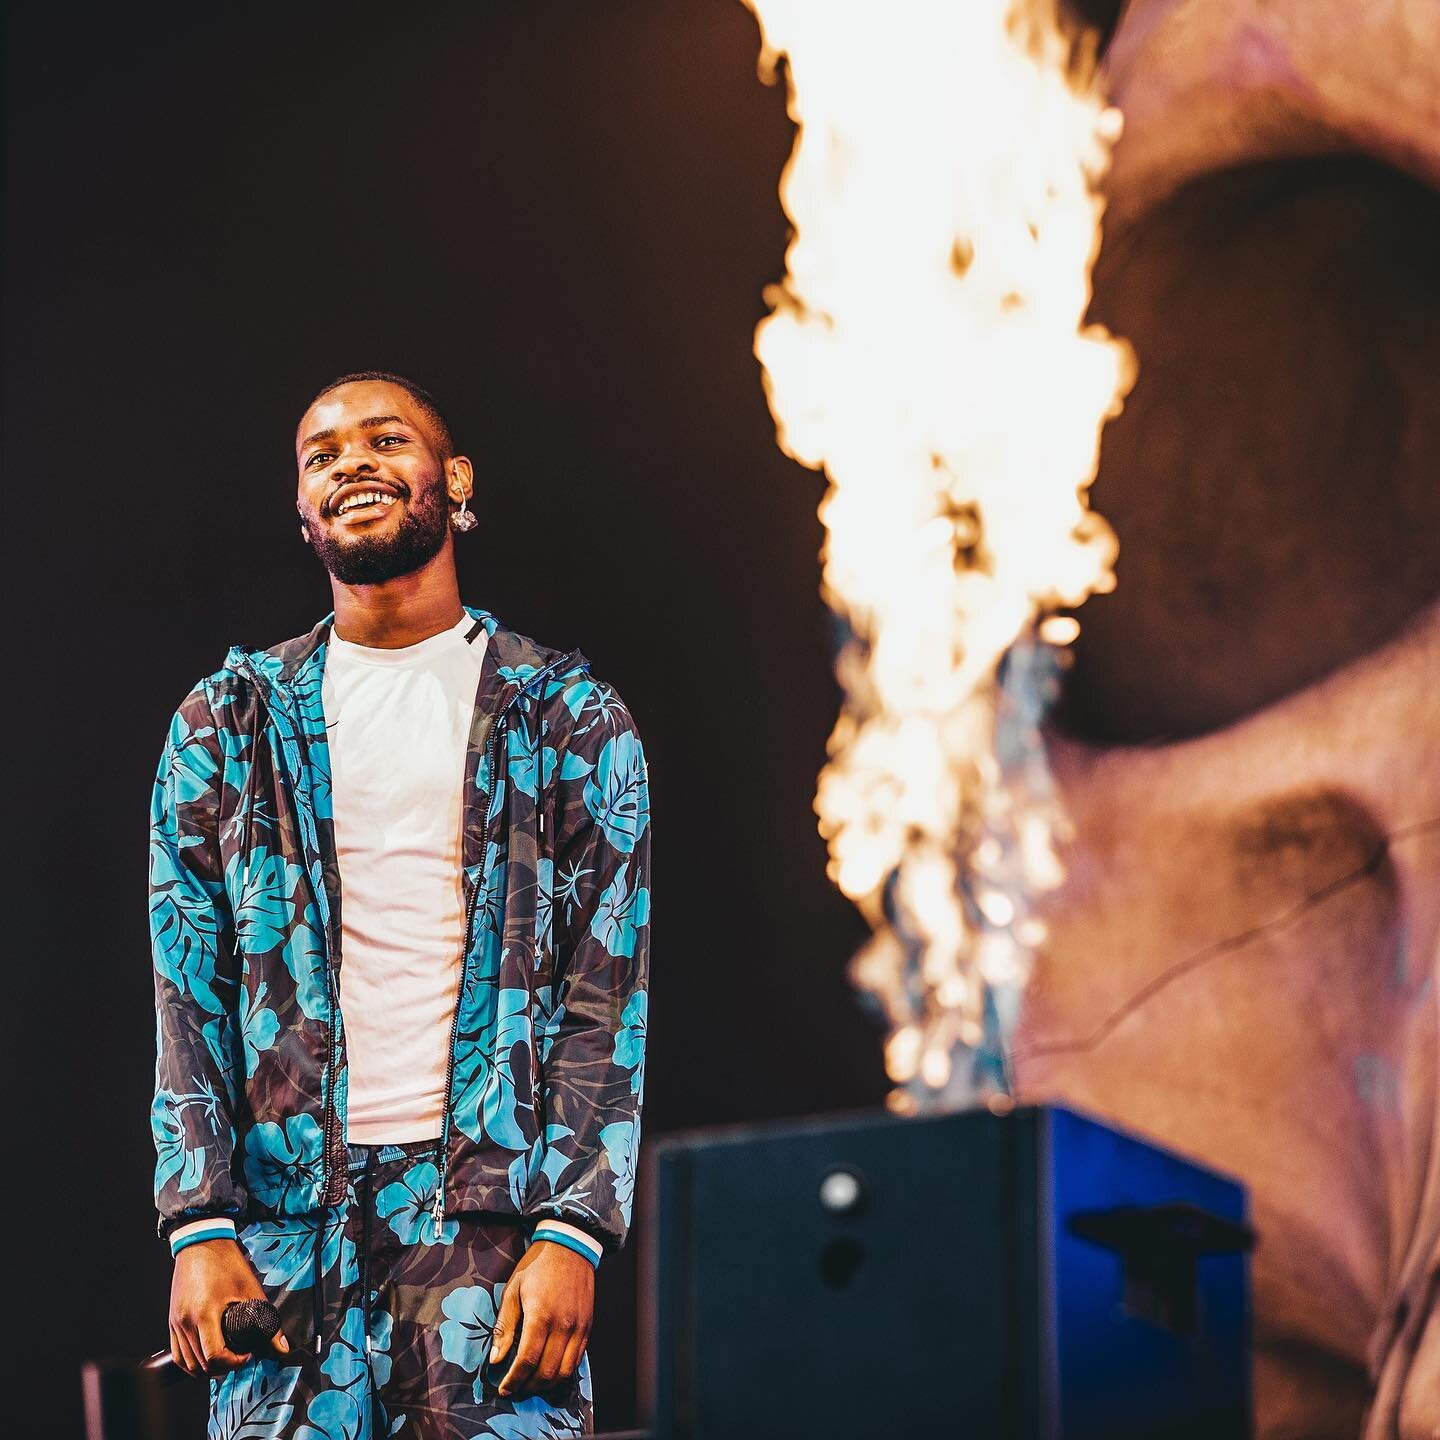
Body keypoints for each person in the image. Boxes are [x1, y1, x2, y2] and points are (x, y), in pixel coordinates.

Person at [149, 371, 651, 1438]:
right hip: (283, 1242)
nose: (353, 464)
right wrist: (200, 1222)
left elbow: (605, 994)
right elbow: (185, 992)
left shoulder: (567, 719)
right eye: (321, 455)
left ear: (451, 479)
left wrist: (573, 1230)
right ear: (301, 508)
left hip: (491, 1229)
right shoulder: (226, 725)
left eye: (385, 440)